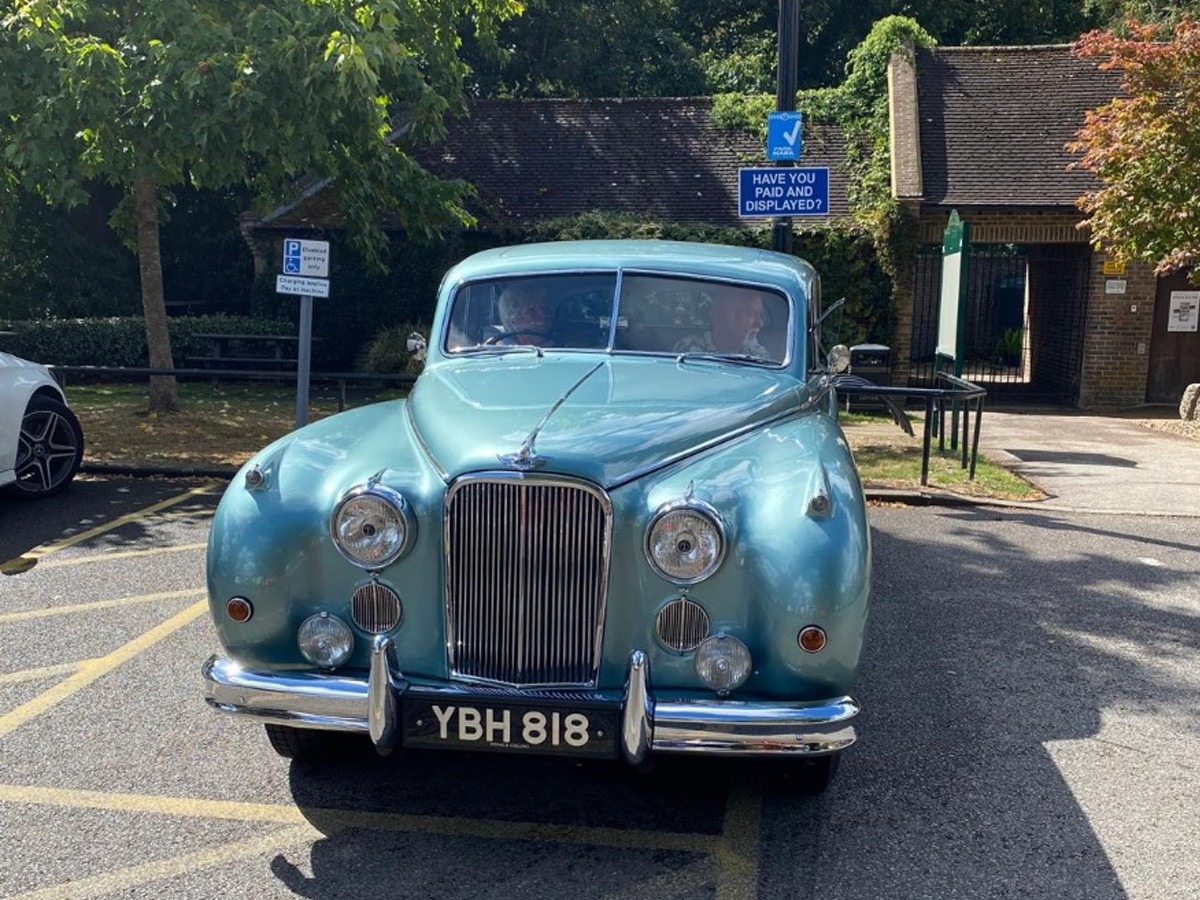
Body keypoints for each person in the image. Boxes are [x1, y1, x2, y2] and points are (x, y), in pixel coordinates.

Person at [675, 287, 770, 358]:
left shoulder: (759, 354)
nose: (759, 324)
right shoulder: (690, 349)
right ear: (727, 316)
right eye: (751, 314)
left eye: (761, 315)